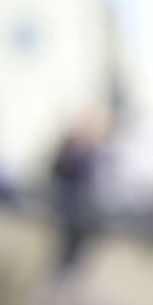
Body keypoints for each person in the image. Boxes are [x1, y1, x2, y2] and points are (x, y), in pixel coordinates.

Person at [51, 113, 106, 272]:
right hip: (67, 198)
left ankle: (71, 263)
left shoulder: (93, 151)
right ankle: (67, 263)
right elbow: (59, 171)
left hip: (81, 203)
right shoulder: (70, 147)